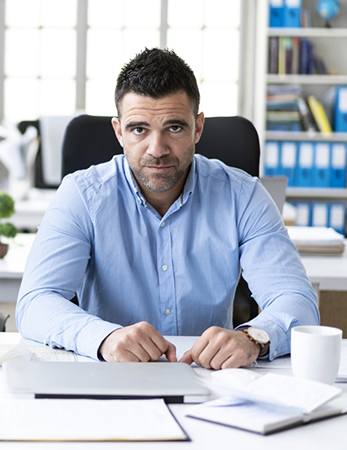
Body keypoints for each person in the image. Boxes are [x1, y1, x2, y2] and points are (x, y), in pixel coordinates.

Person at [16, 48, 319, 369]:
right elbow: (36, 301)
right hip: (111, 375)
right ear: (119, 132)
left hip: (210, 376)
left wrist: (254, 337)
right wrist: (103, 338)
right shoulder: (81, 194)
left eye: (174, 128)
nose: (157, 149)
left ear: (198, 127)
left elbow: (297, 301)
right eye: (139, 129)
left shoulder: (243, 195)